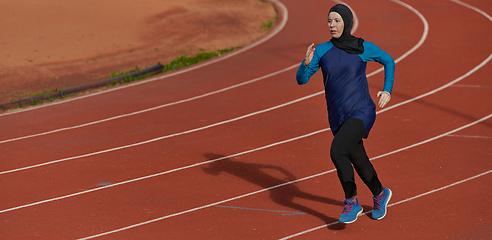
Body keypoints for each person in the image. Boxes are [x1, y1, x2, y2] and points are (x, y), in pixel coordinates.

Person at [296, 4, 394, 224]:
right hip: (337, 117)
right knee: (357, 158)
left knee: (337, 151)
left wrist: (387, 88)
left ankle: (351, 201)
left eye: (337, 20)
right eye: (329, 21)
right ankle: (380, 193)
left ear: (347, 22)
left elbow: (389, 60)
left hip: (362, 111)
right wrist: (305, 64)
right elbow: (301, 80)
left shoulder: (362, 47)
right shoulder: (321, 51)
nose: (332, 25)